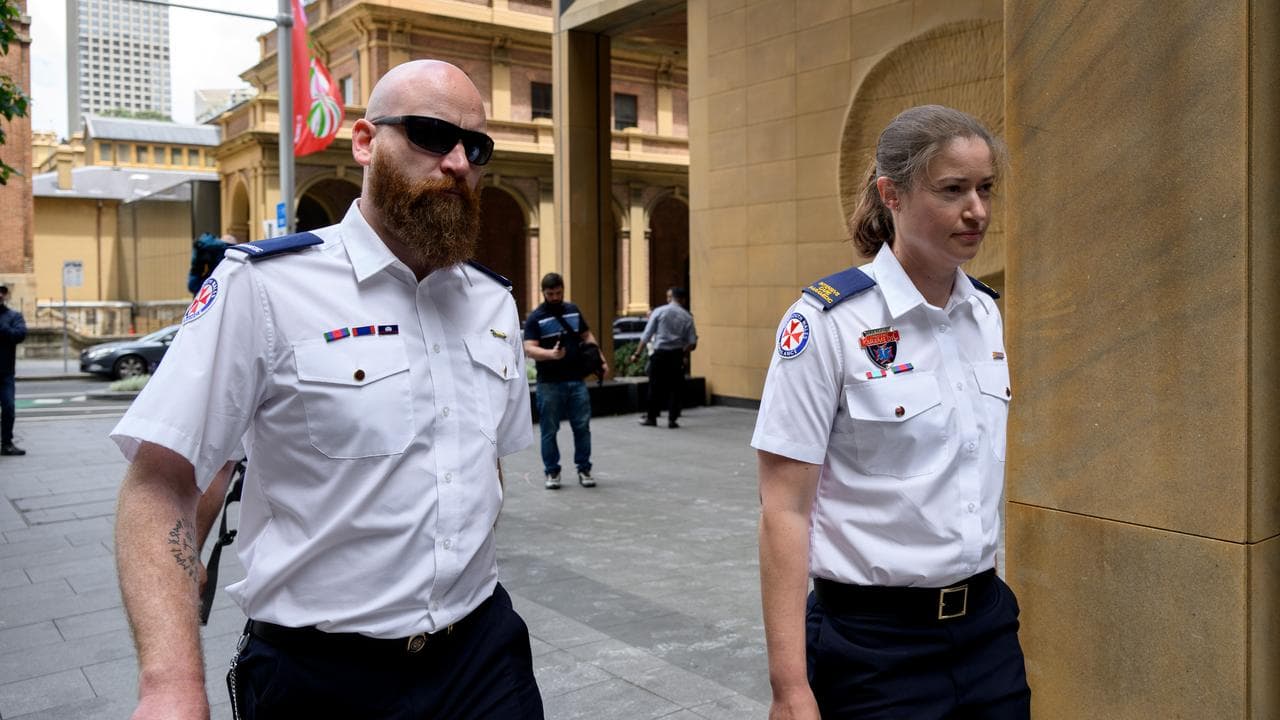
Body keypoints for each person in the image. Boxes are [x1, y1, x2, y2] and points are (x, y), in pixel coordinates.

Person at [111, 60, 544, 720]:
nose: (457, 161)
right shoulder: (263, 287)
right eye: (430, 134)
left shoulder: (493, 303)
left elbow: (487, 465)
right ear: (366, 140)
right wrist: (170, 684)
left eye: (475, 146)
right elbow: (161, 479)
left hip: (482, 657)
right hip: (320, 679)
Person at [753, 105, 1030, 720]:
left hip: (986, 631)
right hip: (873, 648)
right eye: (953, 190)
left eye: (986, 189)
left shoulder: (985, 312)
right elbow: (783, 508)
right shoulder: (827, 323)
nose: (977, 211)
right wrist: (789, 687)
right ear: (892, 194)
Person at [522, 273, 607, 490]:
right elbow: (528, 348)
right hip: (548, 383)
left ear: (563, 290)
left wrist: (601, 360)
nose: (555, 297)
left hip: (576, 380)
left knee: (582, 427)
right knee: (549, 430)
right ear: (543, 293)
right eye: (550, 294)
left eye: (558, 293)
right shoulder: (536, 317)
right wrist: (551, 354)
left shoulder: (573, 310)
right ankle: (552, 472)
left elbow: (587, 336)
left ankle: (584, 468)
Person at [630, 286, 697, 428]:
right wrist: (683, 353)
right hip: (676, 355)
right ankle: (672, 419)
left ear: (671, 298)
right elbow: (692, 342)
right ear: (683, 300)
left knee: (654, 386)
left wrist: (637, 353)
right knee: (675, 387)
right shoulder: (687, 316)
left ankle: (651, 417)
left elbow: (647, 335)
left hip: (660, 354)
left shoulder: (659, 311)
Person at [0, 282, 27, 456]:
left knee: (9, 407)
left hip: (5, 373)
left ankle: (7, 443)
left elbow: (20, 335)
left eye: (2, 292)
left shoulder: (13, 316)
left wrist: (2, 327)